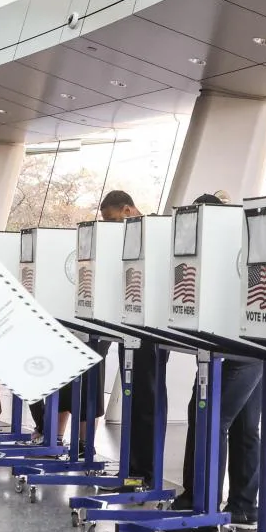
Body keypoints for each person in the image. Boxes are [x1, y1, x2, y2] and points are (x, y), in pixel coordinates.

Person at [172, 193, 264, 532]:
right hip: (242, 349)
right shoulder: (243, 243)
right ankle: (240, 507)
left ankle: (205, 506)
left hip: (235, 352)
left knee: (211, 420)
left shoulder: (213, 248)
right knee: (240, 429)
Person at [100, 190, 159, 485]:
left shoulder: (152, 236)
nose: (110, 226)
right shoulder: (125, 240)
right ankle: (133, 467)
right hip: (128, 328)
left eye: (111, 219)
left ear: (127, 210)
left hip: (149, 331)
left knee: (147, 400)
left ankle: (147, 470)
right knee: (131, 398)